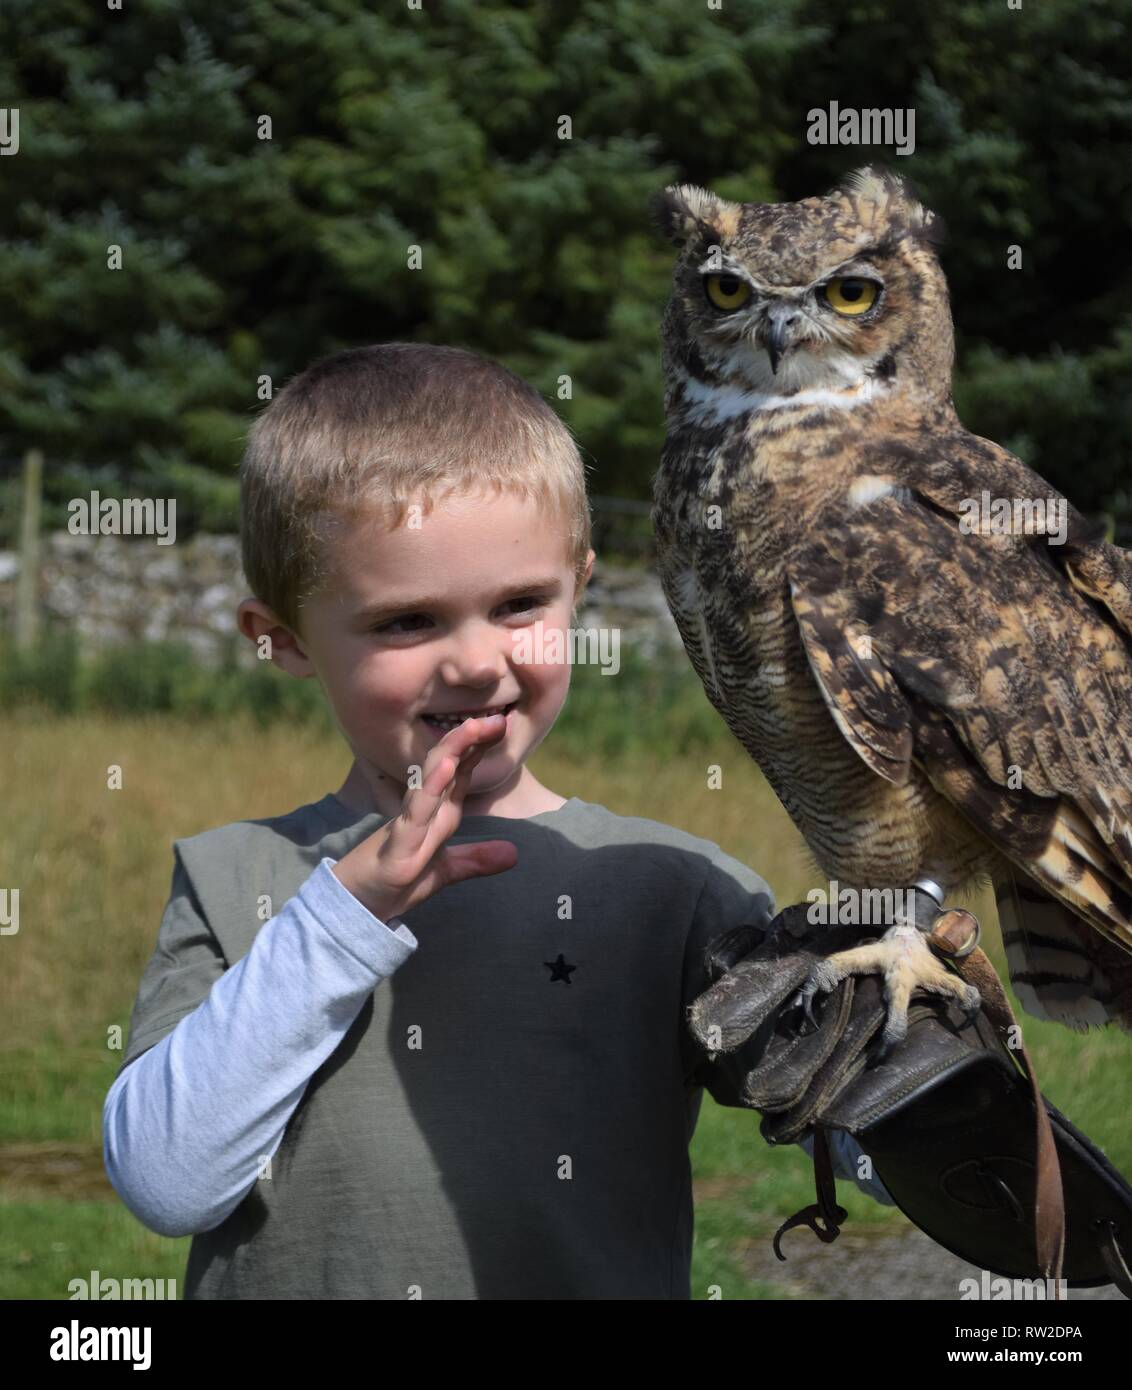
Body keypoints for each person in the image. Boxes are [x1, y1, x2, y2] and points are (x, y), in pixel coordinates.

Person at [102, 342, 891, 1300]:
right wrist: (343, 920)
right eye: (407, 622)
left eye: (521, 604)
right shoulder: (241, 876)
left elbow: (875, 1149)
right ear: (283, 640)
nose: (478, 663)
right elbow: (166, 1181)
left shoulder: (671, 888)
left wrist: (917, 1046)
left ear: (581, 588)